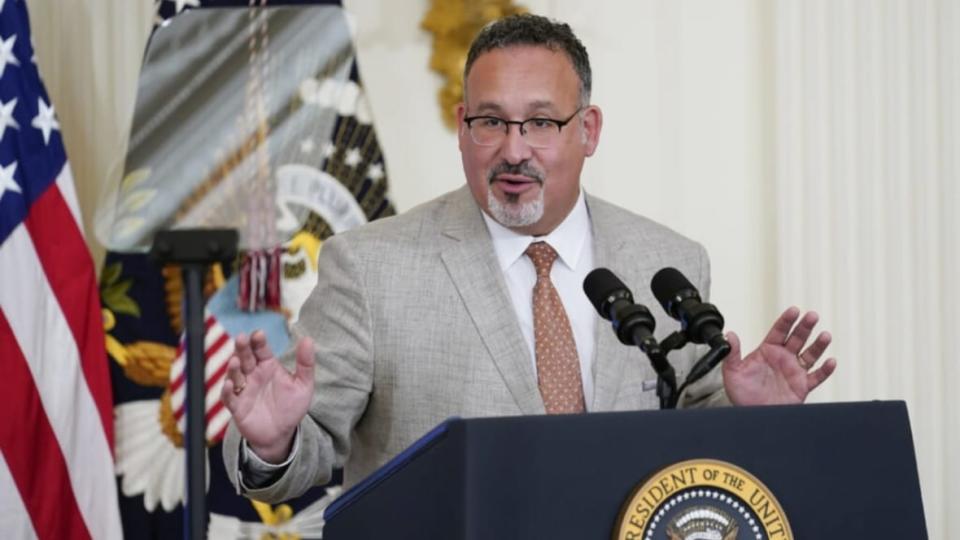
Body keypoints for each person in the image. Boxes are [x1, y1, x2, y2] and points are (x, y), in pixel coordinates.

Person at [220, 14, 836, 503]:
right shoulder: (371, 267)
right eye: (491, 122)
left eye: (541, 123)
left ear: (588, 130)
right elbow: (304, 445)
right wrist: (271, 443)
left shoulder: (668, 261)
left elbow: (690, 438)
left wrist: (750, 418)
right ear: (463, 125)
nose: (514, 150)